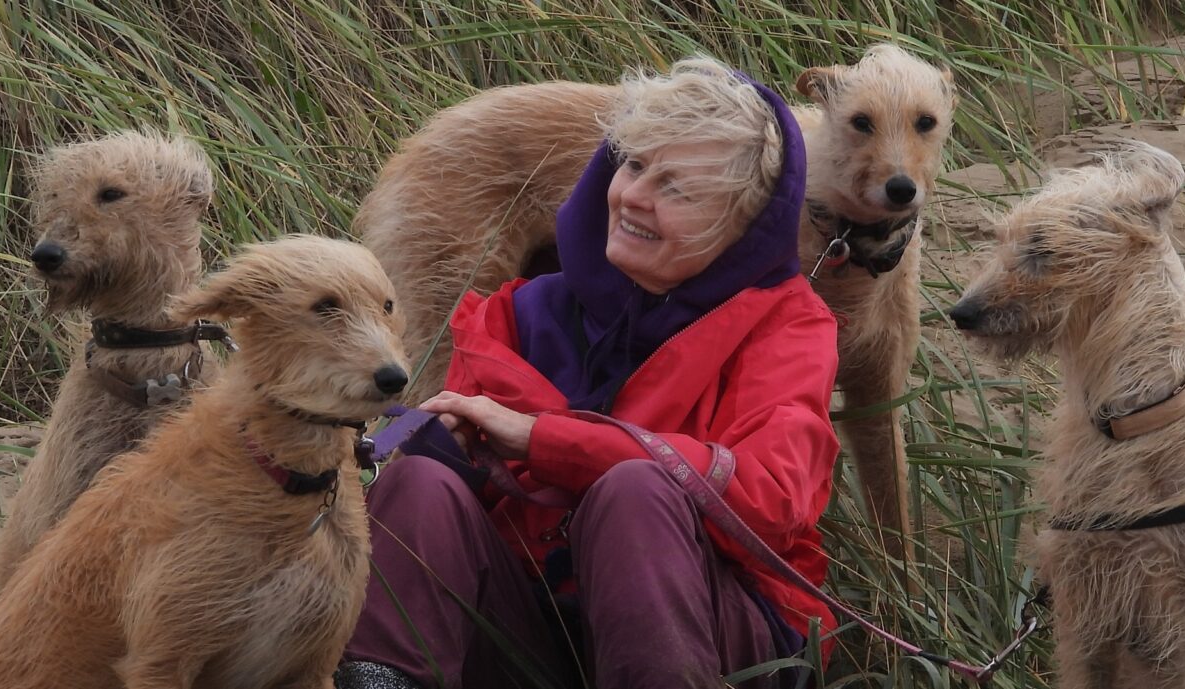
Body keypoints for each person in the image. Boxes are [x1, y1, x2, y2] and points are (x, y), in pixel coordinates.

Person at [338, 56, 840, 689]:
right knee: (421, 486)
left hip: (721, 637)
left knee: (636, 493)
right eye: (632, 165)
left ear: (743, 225)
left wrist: (546, 442)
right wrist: (424, 439)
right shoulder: (523, 313)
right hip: (540, 620)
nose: (633, 196)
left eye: (677, 189)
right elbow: (437, 471)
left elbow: (769, 501)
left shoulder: (789, 328)